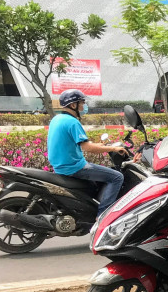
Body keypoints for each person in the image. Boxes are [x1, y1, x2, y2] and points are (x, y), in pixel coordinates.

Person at [47, 89, 124, 221]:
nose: (84, 106)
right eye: (82, 103)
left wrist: (101, 145)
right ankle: (103, 216)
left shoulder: (57, 119)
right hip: (74, 167)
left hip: (60, 166)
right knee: (117, 177)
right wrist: (114, 148)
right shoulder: (72, 122)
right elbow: (88, 148)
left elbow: (81, 143)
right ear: (73, 105)